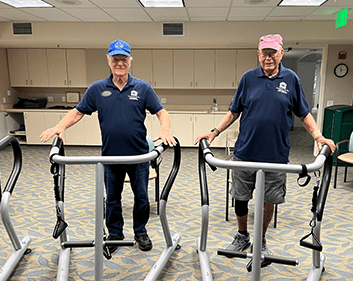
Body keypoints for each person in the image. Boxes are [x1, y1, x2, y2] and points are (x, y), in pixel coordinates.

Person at [194, 34, 335, 267]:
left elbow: (303, 113)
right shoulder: (248, 78)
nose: (268, 57)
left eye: (273, 52)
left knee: (269, 199)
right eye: (264, 52)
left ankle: (261, 239)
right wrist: (214, 132)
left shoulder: (291, 79)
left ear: (281, 53)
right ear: (258, 54)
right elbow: (234, 111)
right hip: (245, 152)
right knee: (240, 197)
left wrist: (318, 136)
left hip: (276, 154)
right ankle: (242, 236)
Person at [40, 39, 176, 253]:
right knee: (112, 198)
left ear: (130, 61)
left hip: (139, 156)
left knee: (141, 196)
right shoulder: (97, 88)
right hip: (110, 156)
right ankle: (115, 234)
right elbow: (78, 112)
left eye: (123, 59)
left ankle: (140, 231)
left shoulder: (142, 87)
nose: (119, 63)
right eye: (115, 59)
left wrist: (165, 130)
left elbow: (162, 112)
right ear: (109, 61)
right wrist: (60, 126)